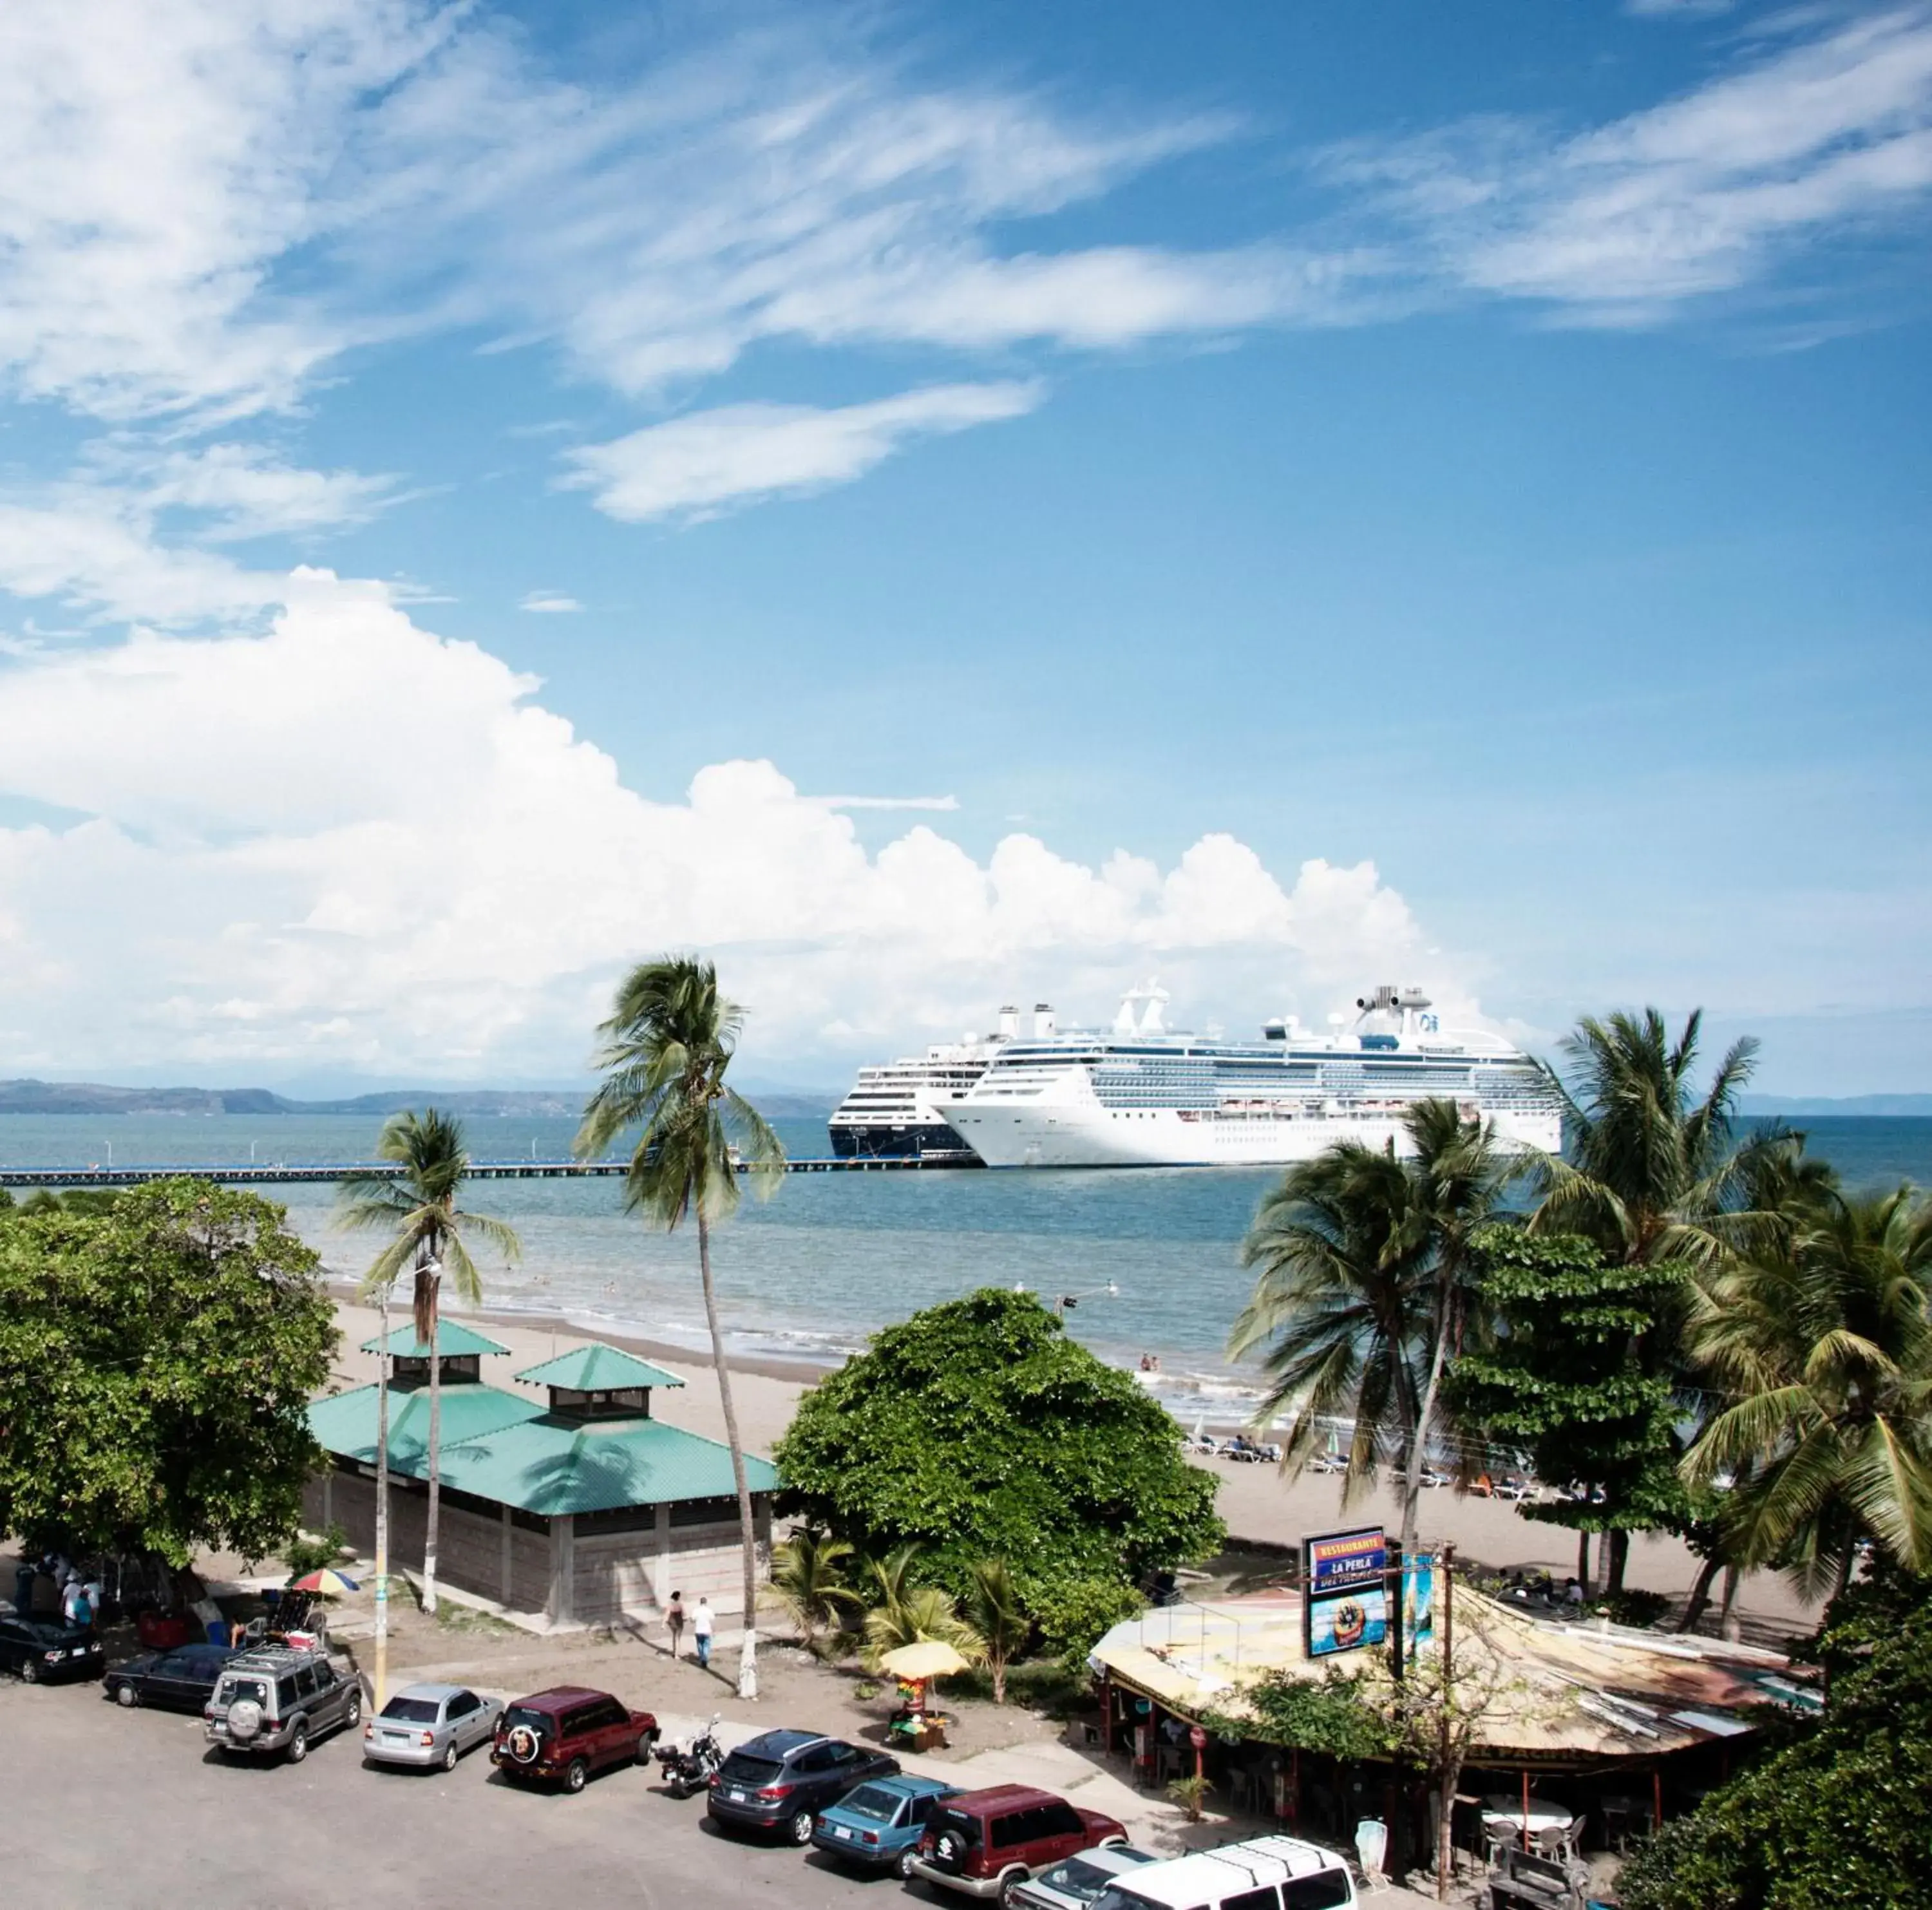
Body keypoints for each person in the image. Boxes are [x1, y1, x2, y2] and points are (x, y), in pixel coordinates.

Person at [692, 1595, 714, 1669]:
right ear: (706, 1603)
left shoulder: (696, 1610)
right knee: (706, 1645)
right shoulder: (709, 1610)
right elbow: (712, 1618)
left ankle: (702, 1657)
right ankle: (704, 1658)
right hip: (707, 1630)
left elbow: (693, 1619)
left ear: (700, 1603)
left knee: (700, 1645)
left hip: (698, 1630)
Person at [666, 1591, 686, 1659]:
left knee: (674, 1637)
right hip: (678, 1621)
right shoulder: (680, 1604)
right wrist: (685, 1617)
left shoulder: (670, 1604)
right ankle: (676, 1653)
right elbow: (684, 1613)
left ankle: (675, 1651)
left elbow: (667, 1613)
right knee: (678, 1638)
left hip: (671, 1621)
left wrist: (664, 1623)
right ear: (678, 1597)